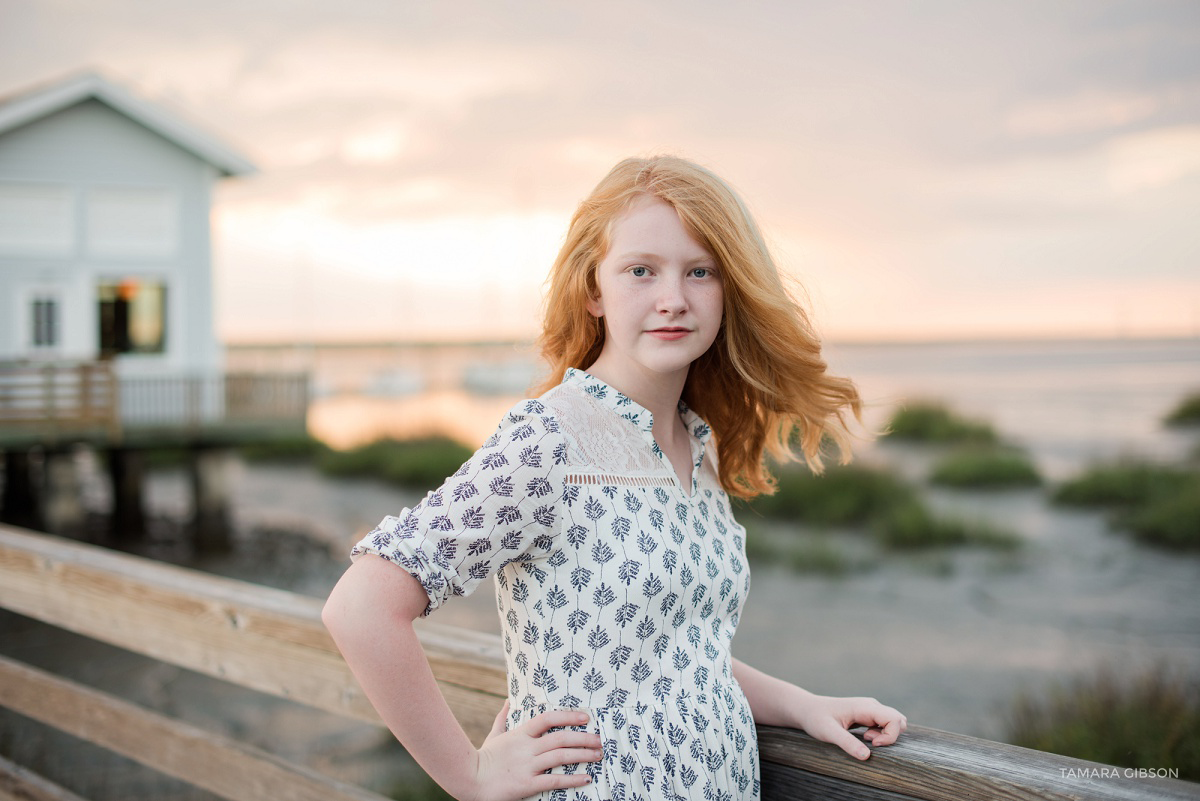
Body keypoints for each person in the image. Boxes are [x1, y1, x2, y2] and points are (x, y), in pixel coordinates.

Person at [322, 155, 907, 801]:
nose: (673, 299)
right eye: (641, 270)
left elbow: (677, 651)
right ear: (593, 290)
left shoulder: (696, 441)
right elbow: (361, 607)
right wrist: (471, 773)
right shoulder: (551, 439)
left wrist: (802, 705)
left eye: (700, 271)